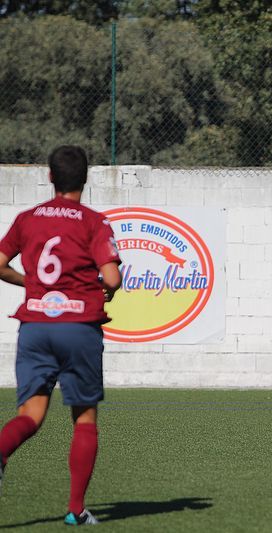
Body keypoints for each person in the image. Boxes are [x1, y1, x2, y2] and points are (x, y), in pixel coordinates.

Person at [0, 145, 122, 526]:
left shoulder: (27, 219)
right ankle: (75, 510)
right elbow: (113, 277)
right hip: (78, 327)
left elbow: (0, 264)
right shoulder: (93, 222)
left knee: (31, 415)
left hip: (35, 327)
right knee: (84, 418)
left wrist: (31, 284)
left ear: (50, 177)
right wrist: (106, 287)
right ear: (86, 179)